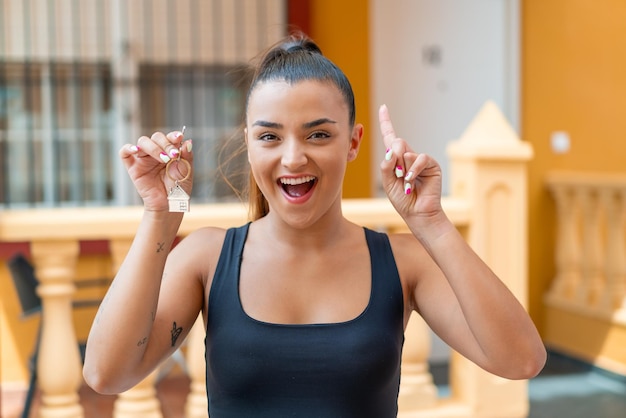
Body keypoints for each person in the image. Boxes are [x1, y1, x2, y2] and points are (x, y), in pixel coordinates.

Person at [83, 33, 546, 417]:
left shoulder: (403, 262)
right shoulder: (208, 258)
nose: (292, 157)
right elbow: (107, 374)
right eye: (269, 136)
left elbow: (521, 359)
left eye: (318, 134)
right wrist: (160, 216)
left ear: (353, 141)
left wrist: (433, 223)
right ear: (248, 143)